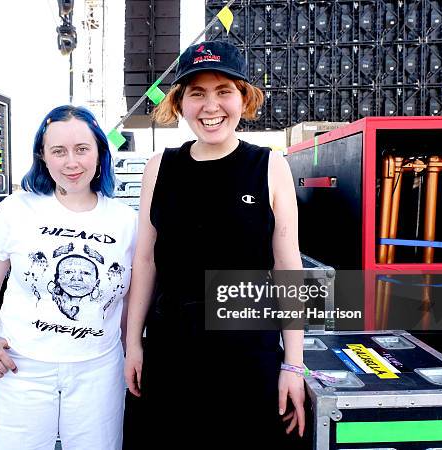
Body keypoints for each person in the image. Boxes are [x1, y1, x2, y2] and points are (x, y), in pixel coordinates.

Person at [123, 40, 306, 448]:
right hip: (173, 351)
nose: (211, 106)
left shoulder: (270, 166)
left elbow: (288, 269)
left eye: (224, 91)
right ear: (180, 102)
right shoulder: (160, 167)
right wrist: (133, 343)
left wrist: (293, 365)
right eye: (197, 93)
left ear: (244, 97)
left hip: (247, 352)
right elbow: (145, 263)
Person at [0, 105, 137, 450]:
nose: (71, 163)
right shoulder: (17, 208)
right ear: (42, 156)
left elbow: (130, 296)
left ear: (100, 153)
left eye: (82, 149)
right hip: (20, 367)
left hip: (98, 370)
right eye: (58, 151)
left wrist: (131, 349)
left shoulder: (125, 221)